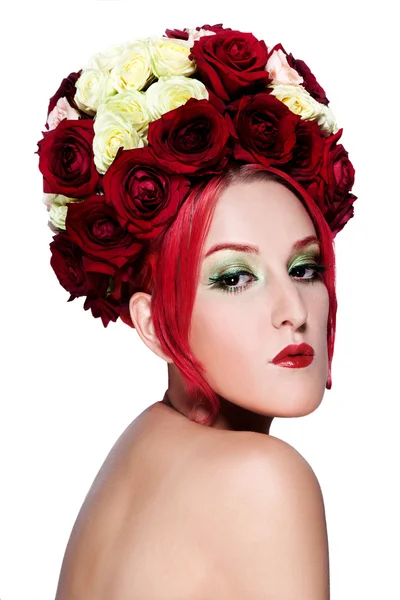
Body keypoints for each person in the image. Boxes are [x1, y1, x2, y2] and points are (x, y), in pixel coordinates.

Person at [37, 23, 356, 599]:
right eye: (235, 277)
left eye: (305, 269)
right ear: (154, 323)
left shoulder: (143, 445)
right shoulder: (264, 481)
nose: (294, 311)